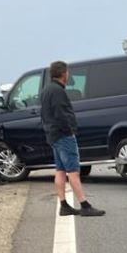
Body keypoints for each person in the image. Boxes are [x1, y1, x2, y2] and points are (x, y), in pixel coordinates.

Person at [38, 60, 105, 217]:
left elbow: (45, 114)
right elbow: (61, 113)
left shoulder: (46, 90)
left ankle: (64, 205)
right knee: (73, 171)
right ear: (63, 73)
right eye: (67, 72)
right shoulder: (58, 91)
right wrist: (70, 130)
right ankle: (84, 205)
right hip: (63, 135)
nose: (68, 74)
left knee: (60, 170)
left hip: (53, 135)